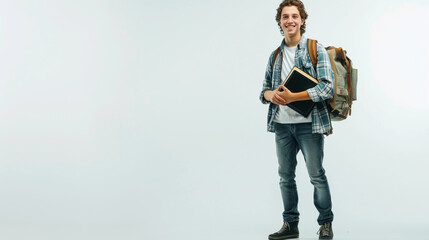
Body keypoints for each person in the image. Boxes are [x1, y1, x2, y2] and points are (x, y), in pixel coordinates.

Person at [259, 0, 335, 239]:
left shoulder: (315, 48)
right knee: (285, 177)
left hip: (309, 125)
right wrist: (271, 95)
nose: (289, 20)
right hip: (282, 125)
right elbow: (263, 92)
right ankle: (290, 224)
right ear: (279, 22)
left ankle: (325, 224)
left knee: (316, 175)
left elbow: (327, 88)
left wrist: (295, 96)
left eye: (294, 16)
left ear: (302, 20)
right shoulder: (275, 55)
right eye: (285, 17)